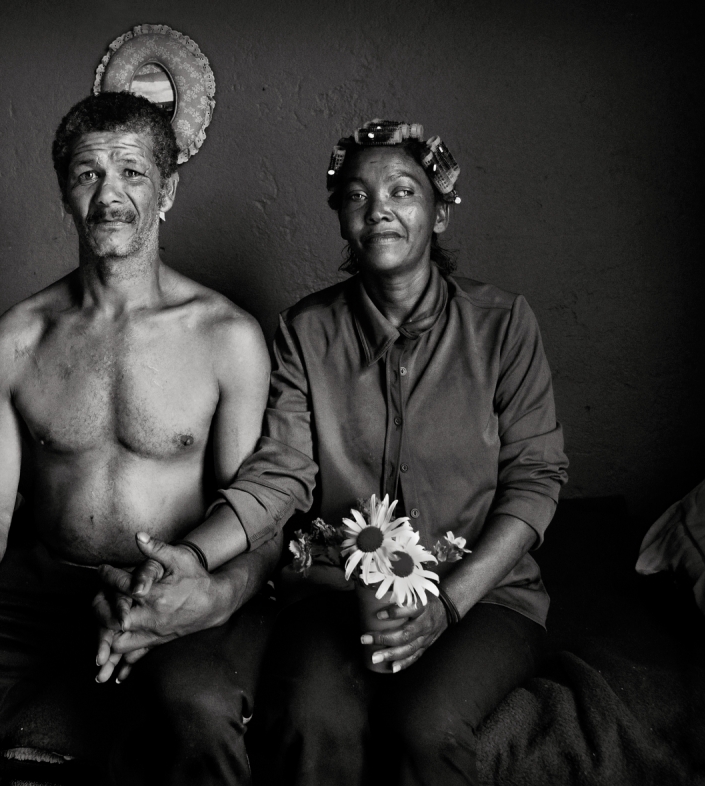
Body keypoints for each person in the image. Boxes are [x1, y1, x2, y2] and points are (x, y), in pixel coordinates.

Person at [0, 91, 285, 786]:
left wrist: (210, 592)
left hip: (170, 581)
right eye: (88, 174)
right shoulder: (17, 339)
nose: (109, 195)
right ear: (64, 194)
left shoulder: (226, 338)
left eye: (132, 173)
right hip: (45, 582)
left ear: (168, 192)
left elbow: (258, 519)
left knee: (196, 719)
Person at [206, 119, 568, 786]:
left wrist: (447, 604)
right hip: (336, 590)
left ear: (440, 213)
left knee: (424, 728)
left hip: (483, 596)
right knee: (310, 718)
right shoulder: (304, 333)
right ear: (342, 219)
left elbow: (536, 479)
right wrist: (200, 554)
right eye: (357, 196)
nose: (379, 210)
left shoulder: (503, 325)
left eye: (403, 191)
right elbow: (282, 473)